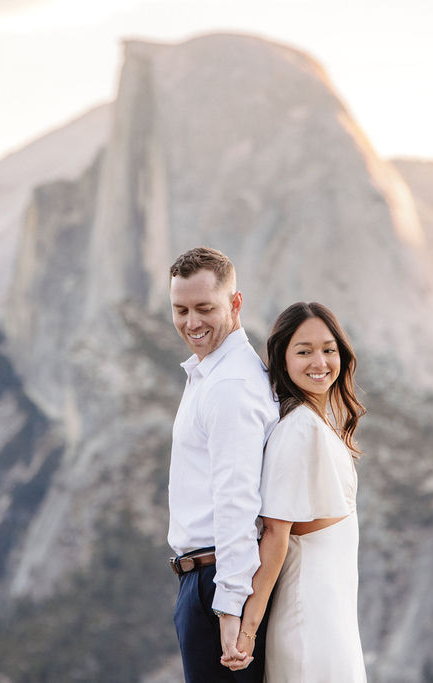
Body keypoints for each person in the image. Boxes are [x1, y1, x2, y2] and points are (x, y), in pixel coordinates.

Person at [229, 301, 368, 681]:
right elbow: (275, 533)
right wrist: (247, 630)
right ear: (283, 358)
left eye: (328, 349)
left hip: (332, 613)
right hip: (310, 619)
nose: (319, 362)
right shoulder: (298, 428)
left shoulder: (317, 422)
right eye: (303, 351)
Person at [167, 246, 279, 681]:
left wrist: (229, 608)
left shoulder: (230, 385)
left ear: (235, 304)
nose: (191, 323)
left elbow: (236, 499)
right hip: (206, 579)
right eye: (180, 309)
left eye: (204, 308)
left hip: (218, 582)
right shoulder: (210, 373)